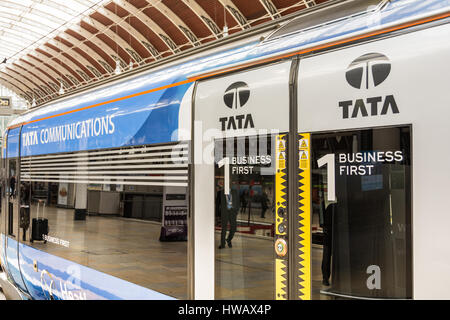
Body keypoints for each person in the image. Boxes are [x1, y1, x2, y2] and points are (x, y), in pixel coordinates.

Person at [219, 183, 240, 249]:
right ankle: (222, 244)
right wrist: (218, 214)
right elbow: (218, 204)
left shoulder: (235, 192)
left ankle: (228, 239)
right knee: (224, 229)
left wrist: (236, 211)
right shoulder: (221, 193)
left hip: (232, 212)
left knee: (234, 228)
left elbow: (238, 202)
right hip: (224, 212)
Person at [321, 202, 336, 286]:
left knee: (326, 257)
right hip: (335, 236)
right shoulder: (340, 208)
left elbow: (324, 224)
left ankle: (325, 278)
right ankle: (331, 278)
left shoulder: (330, 207)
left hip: (328, 236)